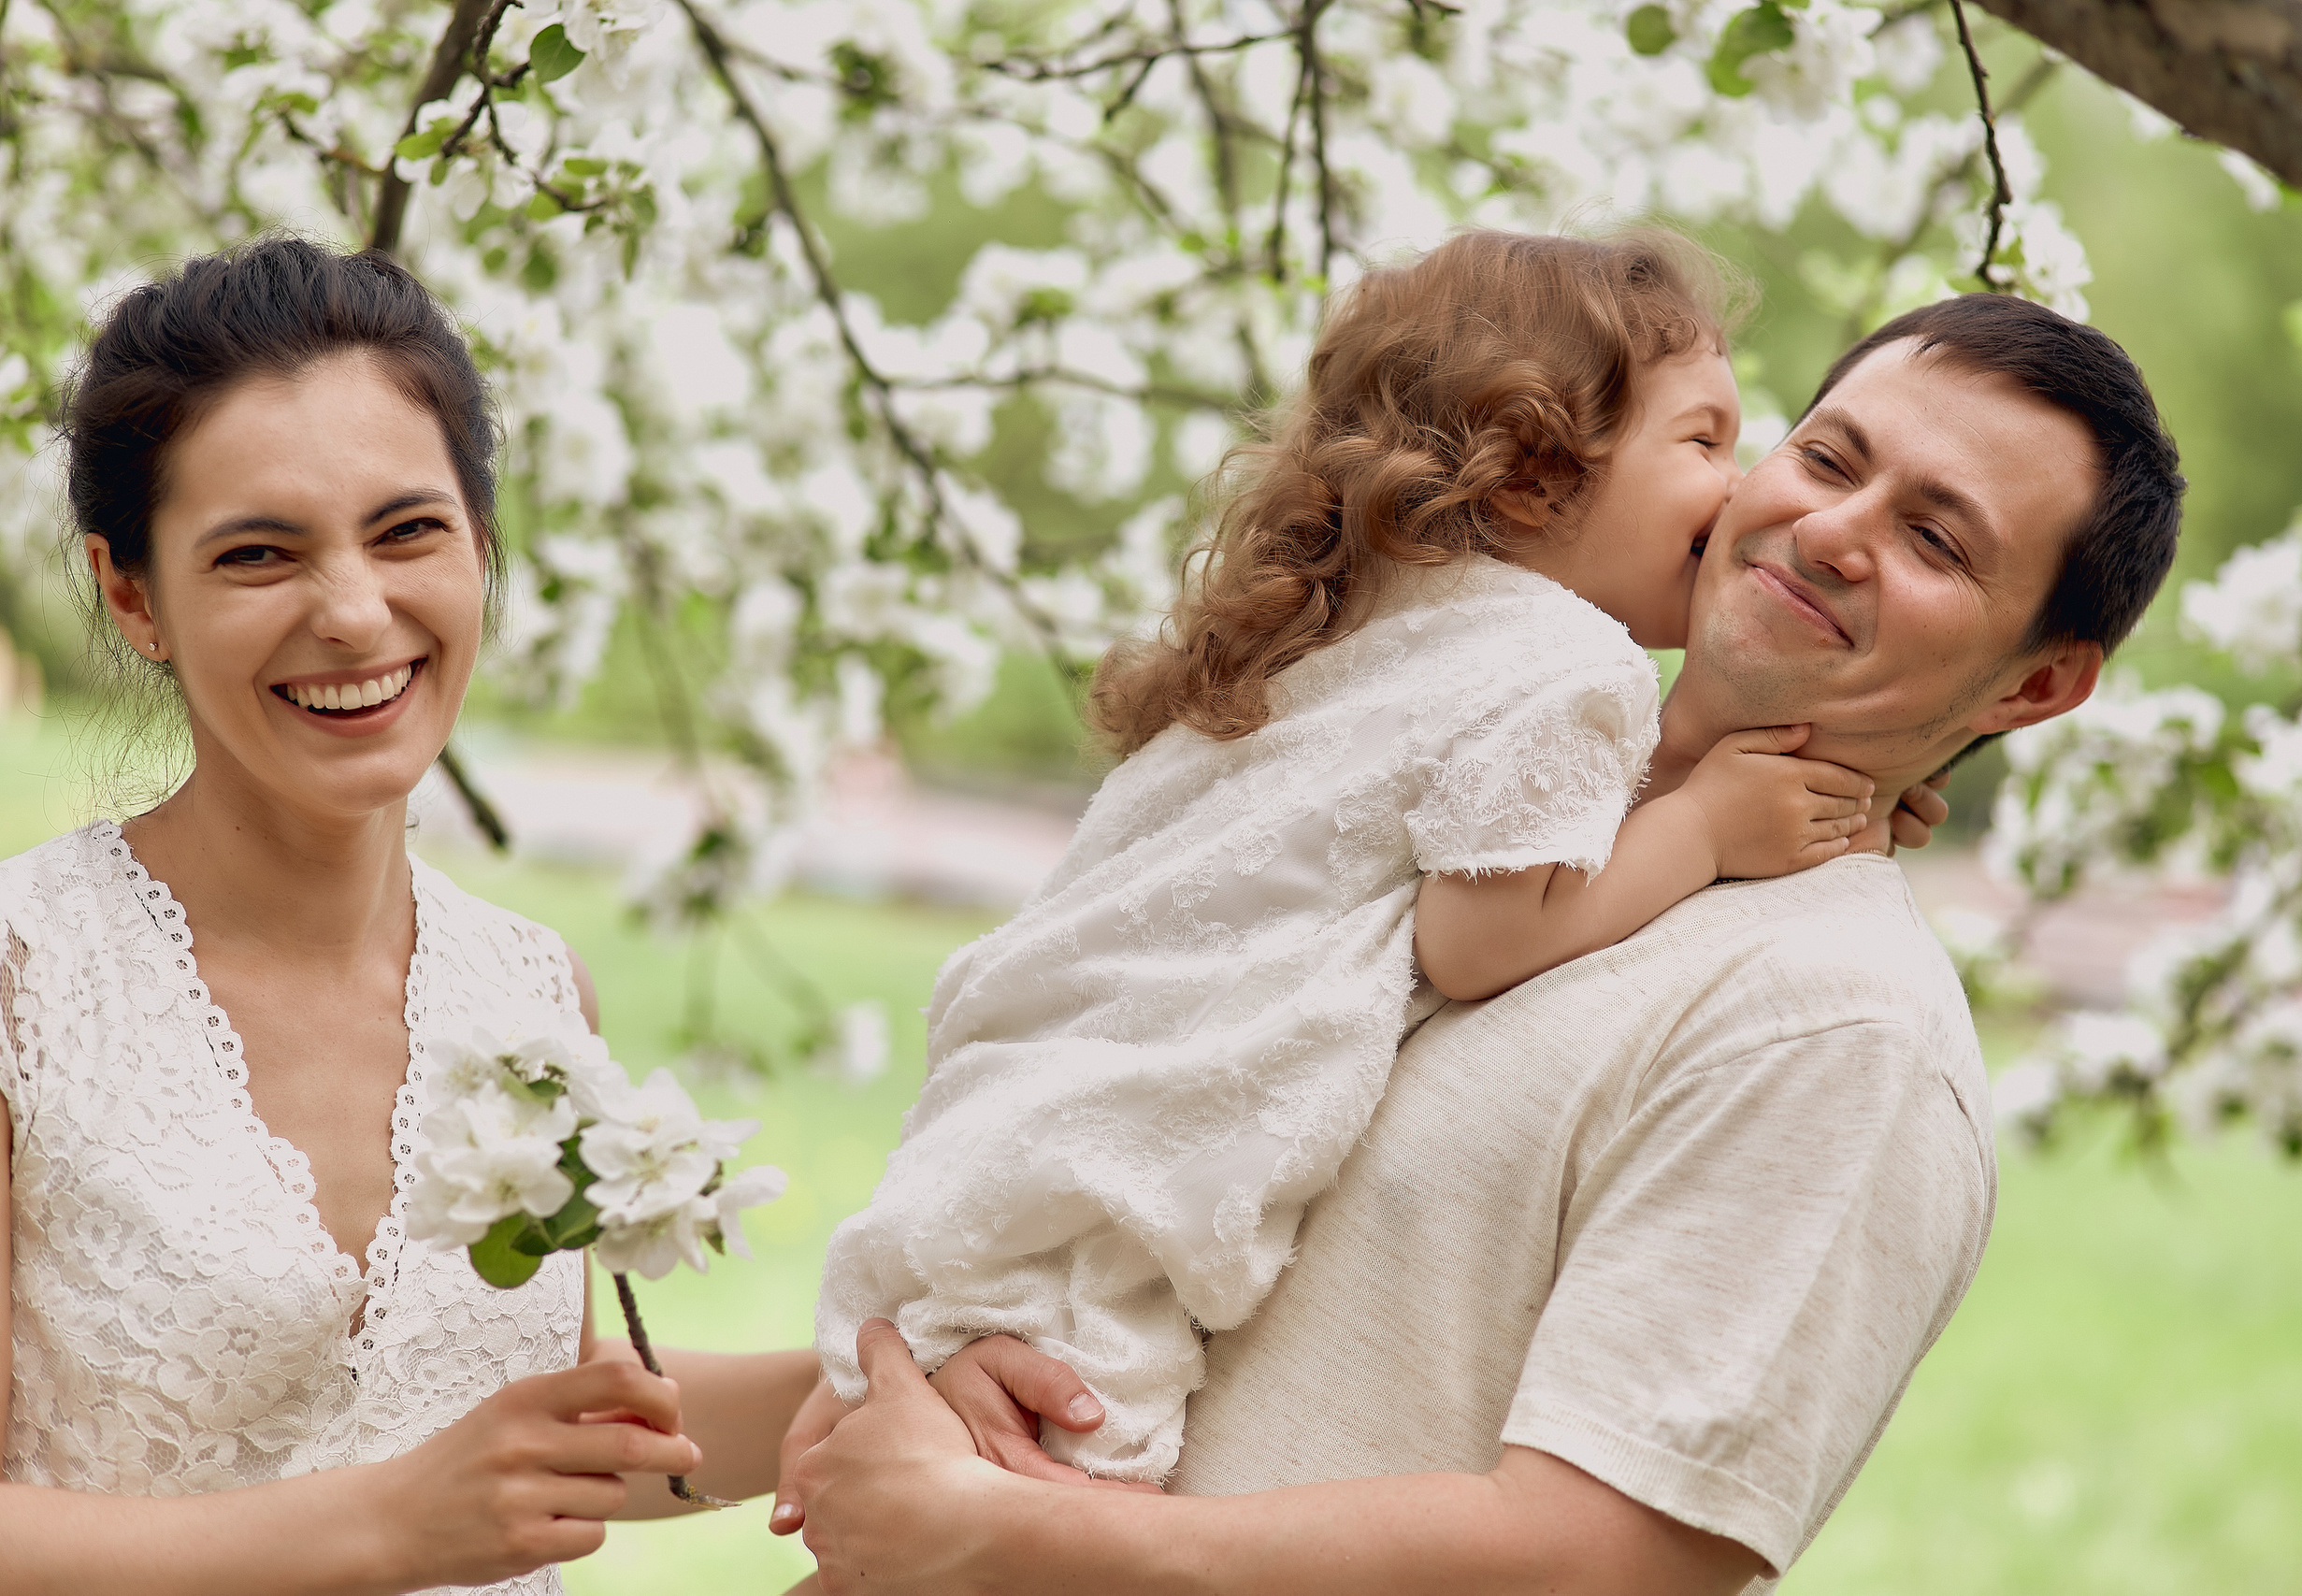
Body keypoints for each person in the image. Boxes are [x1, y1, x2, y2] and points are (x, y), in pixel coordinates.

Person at [773, 290, 2185, 1595]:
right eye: (1827, 458)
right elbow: (1171, 1243)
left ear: (2038, 684)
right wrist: (905, 1375)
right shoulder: (1469, 795)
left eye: (1938, 539)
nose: (1832, 531)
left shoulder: (1835, 1027)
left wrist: (1004, 1528)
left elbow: (1605, 1561)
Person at [810, 229, 1894, 1484]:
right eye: (1703, 441)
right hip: (1136, 1190)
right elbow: (1481, 933)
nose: (1738, 485)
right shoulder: (1572, 663)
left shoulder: (1352, 620)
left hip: (1021, 1119)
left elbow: (1480, 838)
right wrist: (1707, 830)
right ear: (1534, 473)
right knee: (1059, 1476)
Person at [0, 238, 817, 1594]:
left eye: (407, 532)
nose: (354, 611)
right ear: (134, 595)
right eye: (259, 554)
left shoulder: (533, 992)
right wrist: (386, 1526)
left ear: (481, 547)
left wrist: (894, 1379)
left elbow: (535, 1416)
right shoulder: (23, 978)